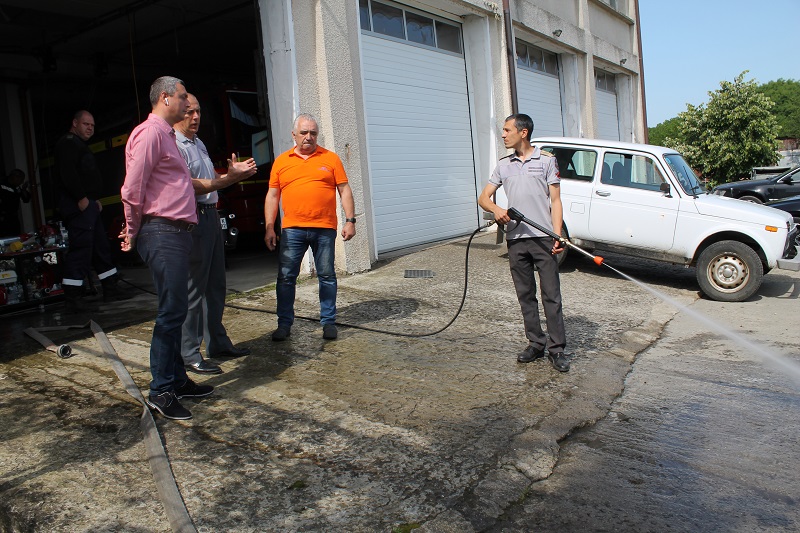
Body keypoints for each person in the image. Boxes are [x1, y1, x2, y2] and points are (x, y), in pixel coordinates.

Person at [120, 76, 212, 421]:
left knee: (175, 307)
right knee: (172, 310)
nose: (189, 104)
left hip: (175, 232)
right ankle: (161, 390)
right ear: (165, 98)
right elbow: (132, 188)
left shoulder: (167, 136)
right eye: (183, 97)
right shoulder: (151, 133)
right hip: (161, 231)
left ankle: (177, 380)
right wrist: (131, 229)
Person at [477, 113, 570, 372]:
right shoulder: (503, 165)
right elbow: (483, 198)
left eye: (507, 130)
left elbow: (555, 201)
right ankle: (536, 344)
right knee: (525, 295)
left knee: (551, 295)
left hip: (543, 239)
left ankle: (557, 349)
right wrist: (496, 210)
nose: (503, 135)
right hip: (516, 240)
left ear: (523, 132)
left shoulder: (547, 161)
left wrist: (558, 234)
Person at [176, 94, 256, 375]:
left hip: (210, 216)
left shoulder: (198, 143)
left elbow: (210, 184)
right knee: (194, 290)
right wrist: (228, 179)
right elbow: (189, 185)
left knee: (215, 285)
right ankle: (189, 353)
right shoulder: (175, 145)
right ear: (176, 113)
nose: (195, 117)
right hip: (193, 217)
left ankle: (218, 343)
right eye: (189, 112)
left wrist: (230, 175)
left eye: (198, 111)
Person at [264, 113, 356, 341]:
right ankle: (284, 324)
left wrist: (350, 220)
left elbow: (344, 190)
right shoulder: (282, 161)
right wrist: (269, 227)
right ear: (294, 135)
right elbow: (273, 195)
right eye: (304, 133)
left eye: (313, 133)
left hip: (324, 228)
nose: (309, 137)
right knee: (286, 278)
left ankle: (328, 323)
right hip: (292, 229)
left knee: (326, 276)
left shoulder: (331, 158)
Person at [54, 110, 132, 311]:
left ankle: (110, 287)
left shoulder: (78, 145)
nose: (90, 128)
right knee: (82, 247)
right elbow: (68, 172)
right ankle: (73, 296)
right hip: (78, 203)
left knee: (100, 245)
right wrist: (80, 197)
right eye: (86, 124)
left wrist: (92, 199)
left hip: (88, 203)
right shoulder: (68, 143)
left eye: (92, 125)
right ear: (74, 123)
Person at [0, 169, 31, 236]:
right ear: (15, 177)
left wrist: (23, 190)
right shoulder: (2, 184)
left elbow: (26, 199)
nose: (22, 182)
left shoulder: (17, 187)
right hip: (2, 219)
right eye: (21, 179)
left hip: (13, 218)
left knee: (15, 238)